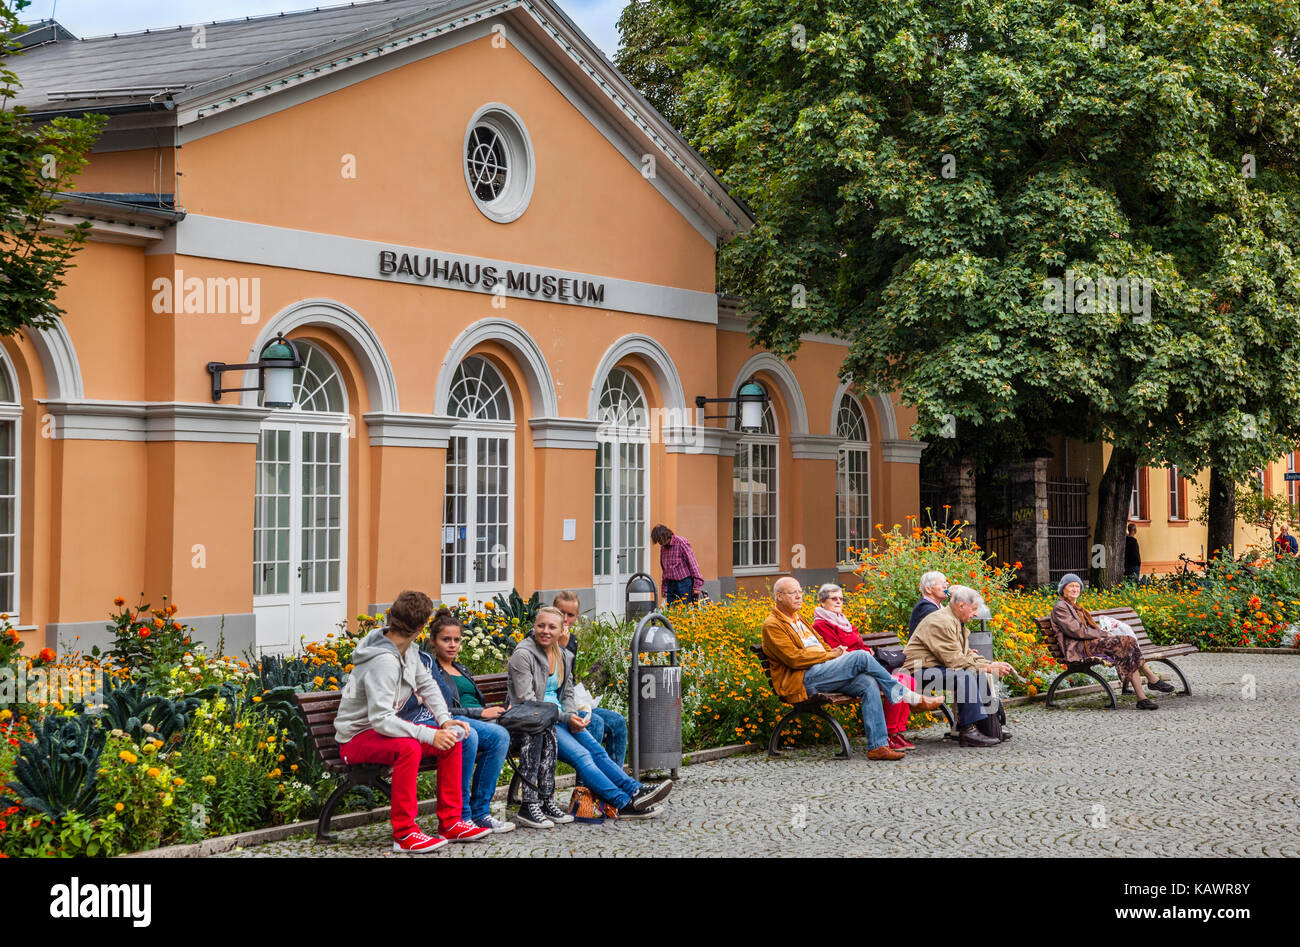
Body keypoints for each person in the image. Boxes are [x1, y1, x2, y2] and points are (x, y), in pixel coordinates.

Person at [333, 590, 490, 852]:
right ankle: (404, 834)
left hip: (381, 732)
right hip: (356, 738)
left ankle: (451, 823)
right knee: (409, 747)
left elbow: (427, 685)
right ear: (421, 626)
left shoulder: (407, 649)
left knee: (451, 740)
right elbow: (381, 719)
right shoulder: (383, 661)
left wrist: (444, 722)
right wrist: (428, 735)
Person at [508, 606, 672, 820]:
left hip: (558, 717)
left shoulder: (563, 655)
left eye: (552, 627)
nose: (545, 631)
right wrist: (567, 718)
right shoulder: (524, 655)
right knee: (583, 757)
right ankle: (623, 804)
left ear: (562, 630)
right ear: (534, 627)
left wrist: (571, 715)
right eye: (541, 625)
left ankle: (634, 791)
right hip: (536, 723)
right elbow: (528, 701)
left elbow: (566, 693)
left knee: (598, 752)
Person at [762, 577, 944, 761]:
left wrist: (832, 653)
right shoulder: (773, 625)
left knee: (868, 683)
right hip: (803, 678)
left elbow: (822, 646)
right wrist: (831, 655)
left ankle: (878, 746)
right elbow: (794, 659)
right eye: (794, 593)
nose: (799, 596)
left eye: (800, 592)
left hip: (823, 671)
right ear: (778, 596)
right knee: (861, 656)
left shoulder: (799, 619)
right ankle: (908, 696)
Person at [406, 608, 515, 834]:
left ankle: (481, 811)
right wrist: (481, 714)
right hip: (449, 719)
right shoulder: (430, 666)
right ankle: (463, 814)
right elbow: (443, 705)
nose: (452, 645)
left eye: (456, 640)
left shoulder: (461, 668)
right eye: (446, 640)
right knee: (467, 735)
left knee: (501, 736)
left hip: (473, 718)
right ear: (433, 641)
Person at [812, 583, 921, 751]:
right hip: (849, 672)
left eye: (841, 599)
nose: (839, 602)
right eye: (834, 599)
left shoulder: (843, 621)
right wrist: (863, 654)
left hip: (865, 666)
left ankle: (898, 732)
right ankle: (890, 733)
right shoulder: (821, 625)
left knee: (907, 680)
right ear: (822, 601)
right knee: (900, 682)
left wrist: (867, 651)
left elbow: (859, 645)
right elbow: (838, 651)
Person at [903, 585, 1013, 748]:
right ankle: (967, 731)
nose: (976, 614)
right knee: (965, 675)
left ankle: (986, 728)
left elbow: (965, 654)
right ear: (962, 605)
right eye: (974, 609)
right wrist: (989, 668)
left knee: (976, 674)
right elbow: (956, 662)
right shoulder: (942, 622)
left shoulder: (955, 621)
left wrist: (989, 664)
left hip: (935, 667)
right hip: (917, 671)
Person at [1049, 573, 1172, 710]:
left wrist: (1103, 635)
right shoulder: (1061, 607)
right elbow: (1076, 631)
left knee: (1128, 646)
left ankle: (1143, 697)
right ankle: (1151, 681)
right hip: (1079, 648)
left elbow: (1086, 630)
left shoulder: (1076, 607)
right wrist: (1103, 634)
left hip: (1089, 643)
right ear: (1063, 589)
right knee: (1127, 643)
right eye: (1071, 586)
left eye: (1077, 586)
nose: (1075, 589)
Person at [552, 590, 628, 767]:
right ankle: (586, 787)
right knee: (594, 722)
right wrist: (561, 647)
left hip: (570, 700)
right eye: (560, 612)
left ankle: (612, 778)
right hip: (554, 705)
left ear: (576, 617)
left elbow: (568, 679)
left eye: (570, 615)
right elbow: (551, 679)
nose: (565, 619)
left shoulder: (573, 640)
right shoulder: (543, 636)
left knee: (617, 722)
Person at [651, 524, 703, 604]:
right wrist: (664, 588)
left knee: (686, 610)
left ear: (665, 536)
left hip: (684, 583)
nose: (660, 543)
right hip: (670, 584)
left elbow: (693, 564)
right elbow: (665, 569)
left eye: (660, 540)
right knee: (671, 611)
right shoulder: (663, 548)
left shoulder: (681, 542)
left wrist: (697, 586)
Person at [908, 571, 949, 636]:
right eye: (941, 584)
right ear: (928, 589)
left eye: (946, 583)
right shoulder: (926, 608)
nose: (945, 586)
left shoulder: (937, 606)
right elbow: (947, 630)